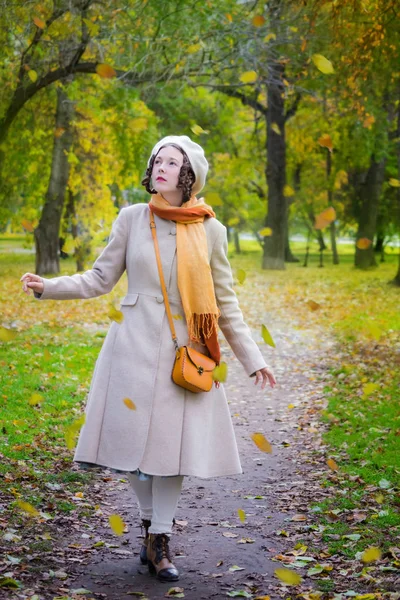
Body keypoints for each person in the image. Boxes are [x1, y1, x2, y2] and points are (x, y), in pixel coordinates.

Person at [21, 135, 276, 583]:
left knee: (170, 453)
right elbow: (100, 279)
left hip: (186, 352)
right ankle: (147, 526)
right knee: (132, 450)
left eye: (172, 161)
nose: (161, 166)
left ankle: (160, 540)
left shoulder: (211, 230)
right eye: (157, 159)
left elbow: (225, 302)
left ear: (189, 174)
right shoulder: (132, 218)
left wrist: (252, 359)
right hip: (132, 348)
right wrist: (49, 286)